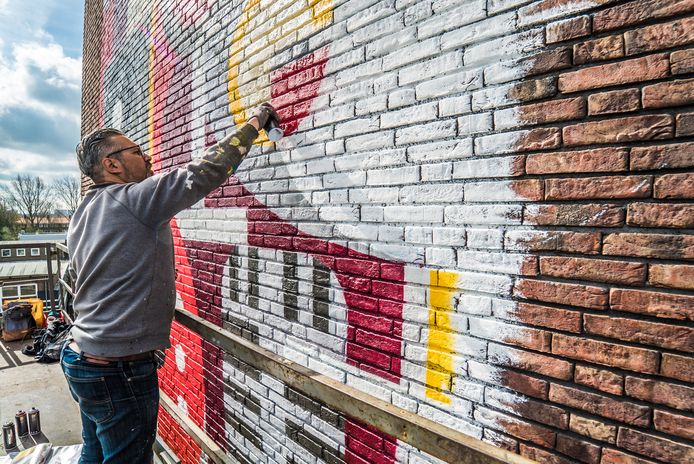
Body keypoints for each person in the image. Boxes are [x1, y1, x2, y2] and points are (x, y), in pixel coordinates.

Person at [60, 103, 279, 464]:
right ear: (112, 165)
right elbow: (205, 172)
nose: (146, 158)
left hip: (82, 359)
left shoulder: (84, 210)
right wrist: (255, 123)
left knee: (95, 452)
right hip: (118, 370)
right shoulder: (134, 198)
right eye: (136, 151)